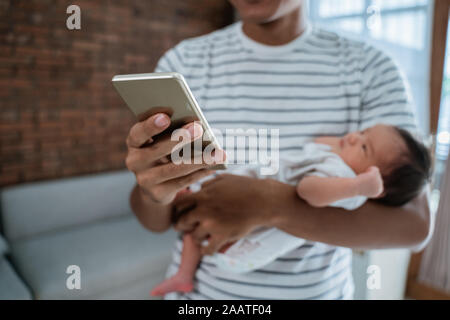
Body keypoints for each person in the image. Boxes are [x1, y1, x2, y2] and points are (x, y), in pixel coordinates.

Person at [126, 0, 434, 299]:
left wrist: (271, 204)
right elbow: (155, 220)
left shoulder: (370, 69)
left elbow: (413, 225)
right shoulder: (183, 63)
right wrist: (152, 189)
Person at [149, 124, 431, 296]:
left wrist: (358, 186)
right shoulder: (337, 161)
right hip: (237, 212)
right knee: (195, 224)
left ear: (375, 184)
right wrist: (346, 143)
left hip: (248, 240)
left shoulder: (346, 187)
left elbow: (309, 191)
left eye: (365, 147)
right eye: (362, 131)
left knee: (201, 230)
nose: (354, 137)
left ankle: (185, 272)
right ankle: (185, 274)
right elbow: (319, 142)